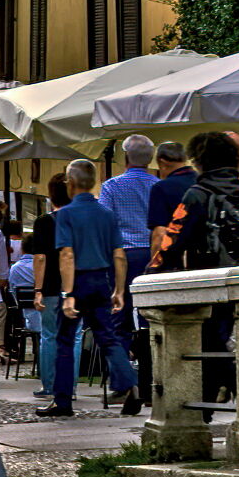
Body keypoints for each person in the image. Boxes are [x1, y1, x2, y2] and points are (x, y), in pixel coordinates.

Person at [156, 130, 239, 413]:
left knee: (209, 346)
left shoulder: (198, 194)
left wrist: (150, 273)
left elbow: (172, 239)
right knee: (228, 346)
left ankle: (226, 405)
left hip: (208, 283)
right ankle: (233, 402)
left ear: (199, 161)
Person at [40, 160, 139, 418]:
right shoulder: (106, 214)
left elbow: (67, 255)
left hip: (79, 280)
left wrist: (68, 294)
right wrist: (119, 289)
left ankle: (62, 401)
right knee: (108, 337)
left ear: (70, 184)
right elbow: (119, 254)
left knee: (64, 339)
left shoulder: (67, 214)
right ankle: (129, 383)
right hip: (102, 280)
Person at [100, 134, 160, 349]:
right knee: (151, 313)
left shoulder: (111, 186)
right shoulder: (159, 186)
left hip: (122, 255)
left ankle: (121, 369)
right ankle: (152, 367)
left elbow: (105, 222)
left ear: (125, 156)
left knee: (119, 313)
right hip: (153, 254)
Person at [22, 176, 71, 403]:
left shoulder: (44, 222)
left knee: (49, 335)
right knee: (74, 337)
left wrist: (38, 289)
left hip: (50, 285)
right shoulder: (78, 219)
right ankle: (69, 387)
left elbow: (40, 258)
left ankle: (49, 385)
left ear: (51, 195)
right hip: (74, 286)